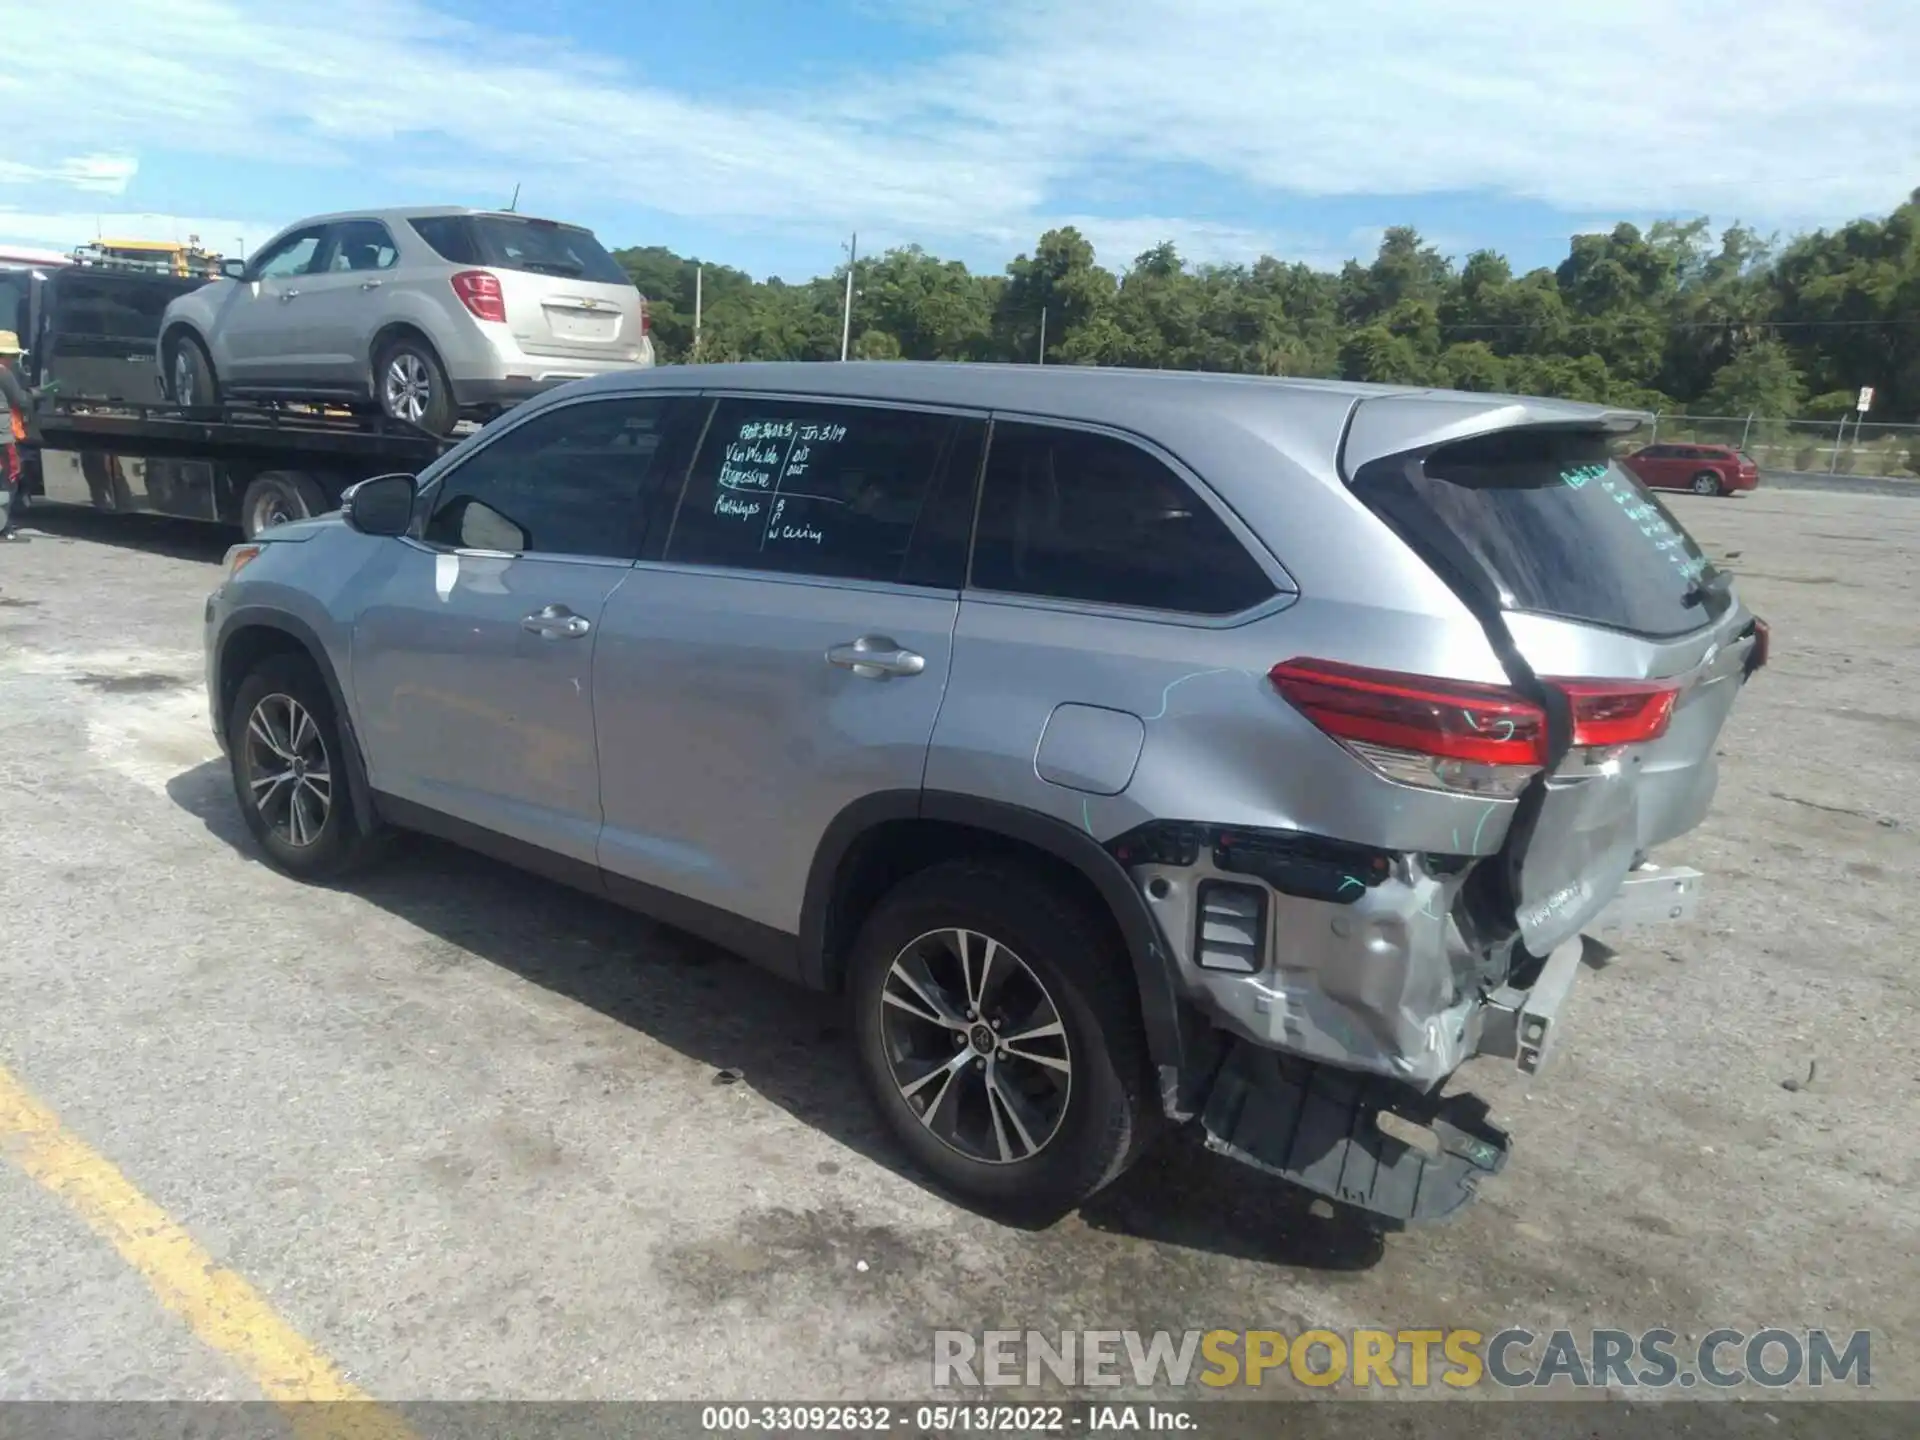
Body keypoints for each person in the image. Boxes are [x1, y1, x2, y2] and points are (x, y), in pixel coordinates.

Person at [0, 330, 36, 539]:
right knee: (9, 478)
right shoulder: (3, 372)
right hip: (2, 436)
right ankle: (2, 527)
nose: (14, 361)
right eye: (13, 356)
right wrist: (35, 395)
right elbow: (19, 400)